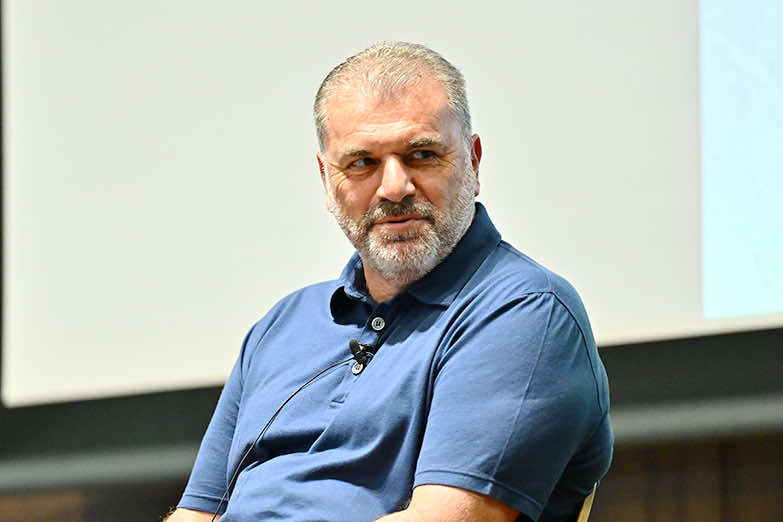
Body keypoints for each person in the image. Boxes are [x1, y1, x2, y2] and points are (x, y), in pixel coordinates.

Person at [166, 42, 613, 522]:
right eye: (362, 163)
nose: (394, 187)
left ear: (474, 161)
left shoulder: (524, 310)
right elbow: (196, 515)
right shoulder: (281, 325)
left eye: (421, 154)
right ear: (326, 179)